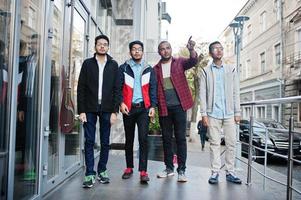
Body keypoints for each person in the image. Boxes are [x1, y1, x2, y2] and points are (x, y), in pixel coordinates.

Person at [77, 35, 119, 188]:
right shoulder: (88, 64)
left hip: (107, 108)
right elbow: (81, 88)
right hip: (89, 108)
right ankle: (89, 173)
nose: (102, 46)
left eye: (105, 44)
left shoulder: (113, 65)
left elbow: (117, 89)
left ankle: (102, 170)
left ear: (108, 47)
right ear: (95, 46)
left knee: (105, 141)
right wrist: (81, 110)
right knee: (89, 140)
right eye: (99, 44)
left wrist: (115, 111)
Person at [154, 37, 198, 182]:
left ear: (171, 50)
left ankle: (182, 170)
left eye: (168, 48)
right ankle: (168, 168)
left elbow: (193, 61)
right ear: (159, 52)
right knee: (166, 139)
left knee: (180, 139)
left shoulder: (179, 62)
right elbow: (154, 90)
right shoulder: (156, 69)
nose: (165, 50)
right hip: (164, 108)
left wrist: (191, 50)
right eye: (162, 48)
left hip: (180, 107)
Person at [200, 41, 242, 184]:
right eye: (215, 49)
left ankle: (230, 172)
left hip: (230, 113)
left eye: (221, 48)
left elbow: (236, 91)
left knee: (231, 143)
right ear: (211, 53)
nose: (219, 51)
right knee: (214, 144)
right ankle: (215, 172)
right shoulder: (205, 71)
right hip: (213, 114)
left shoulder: (231, 69)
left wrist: (238, 111)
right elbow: (203, 93)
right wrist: (204, 114)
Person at [116, 40, 157, 183]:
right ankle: (129, 167)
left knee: (143, 139)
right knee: (129, 139)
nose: (136, 51)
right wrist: (121, 103)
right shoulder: (123, 68)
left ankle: (143, 171)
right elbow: (118, 88)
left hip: (144, 109)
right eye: (134, 49)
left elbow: (153, 90)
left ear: (142, 51)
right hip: (128, 108)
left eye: (139, 49)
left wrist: (152, 106)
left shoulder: (148, 69)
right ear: (130, 52)